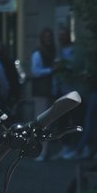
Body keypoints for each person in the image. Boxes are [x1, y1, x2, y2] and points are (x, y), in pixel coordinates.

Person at [29, 27, 57, 160]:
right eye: (46, 37)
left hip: (49, 91)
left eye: (50, 37)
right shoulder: (38, 53)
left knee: (47, 122)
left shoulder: (52, 52)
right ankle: (41, 151)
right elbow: (35, 71)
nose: (48, 40)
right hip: (41, 91)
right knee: (42, 122)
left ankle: (45, 152)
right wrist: (51, 70)